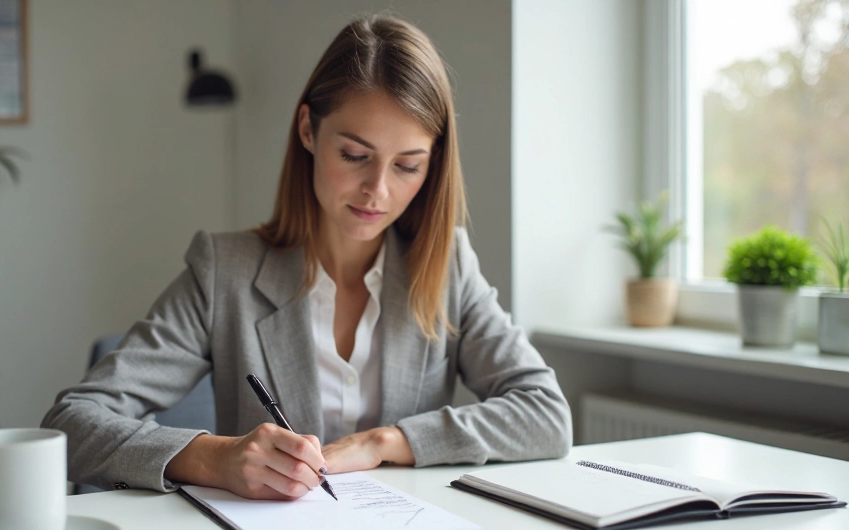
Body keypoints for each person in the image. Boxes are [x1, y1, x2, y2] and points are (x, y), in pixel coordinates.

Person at [41, 14, 571, 501]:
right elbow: (72, 423)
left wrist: (388, 441)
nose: (377, 192)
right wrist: (215, 458)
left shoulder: (447, 265)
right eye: (355, 156)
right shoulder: (225, 271)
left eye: (407, 166)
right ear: (308, 131)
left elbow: (546, 415)